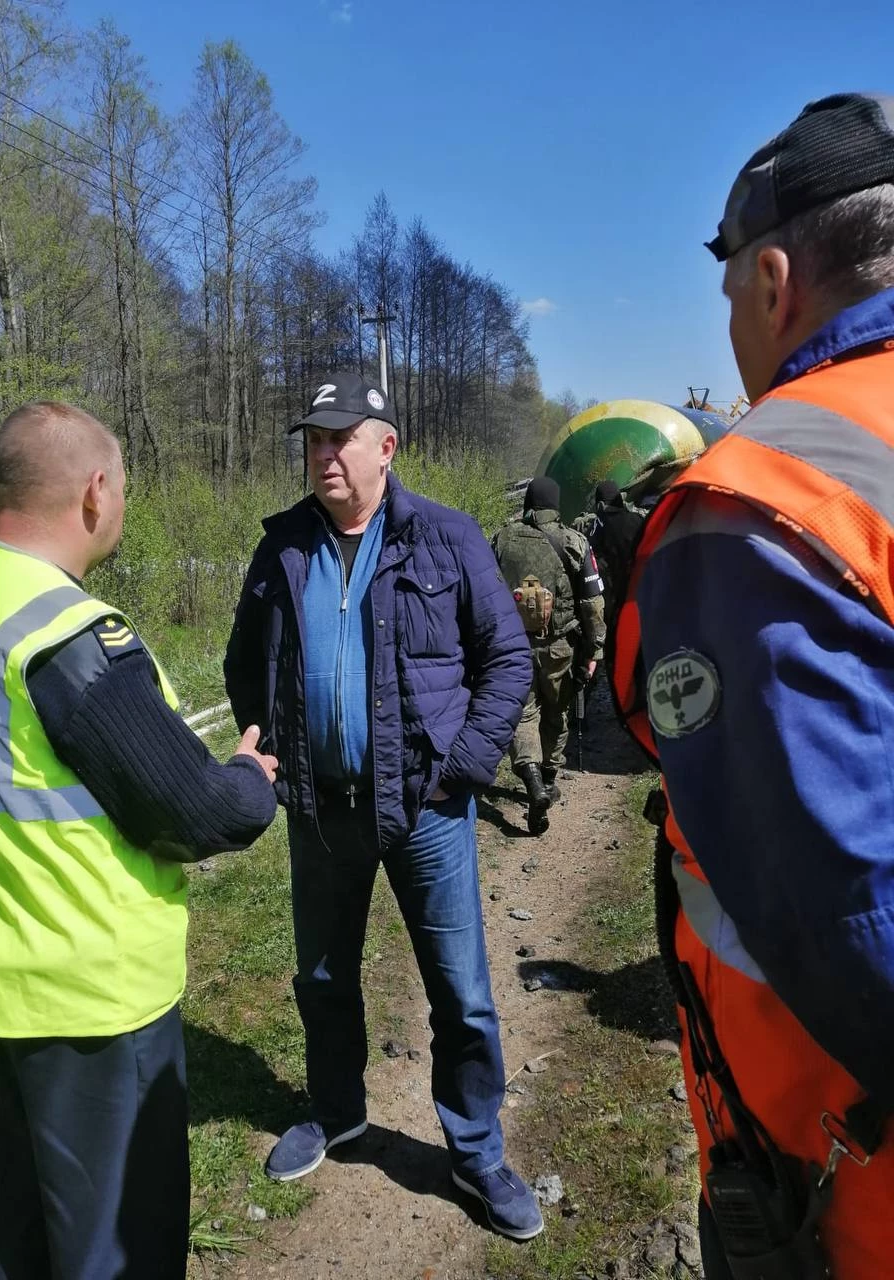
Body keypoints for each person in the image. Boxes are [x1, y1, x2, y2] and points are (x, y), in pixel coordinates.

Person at [612, 93, 894, 1279]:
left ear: (773, 277)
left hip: (844, 1193)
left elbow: (860, 925)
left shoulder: (757, 510)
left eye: (729, 288)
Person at [0, 401, 279, 1279]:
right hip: (91, 991)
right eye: (121, 486)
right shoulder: (72, 640)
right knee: (115, 1240)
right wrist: (248, 777)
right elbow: (197, 814)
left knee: (19, 1211)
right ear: (95, 494)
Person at [225, 372, 543, 1241]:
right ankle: (337, 1112)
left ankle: (476, 1153)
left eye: (338, 438)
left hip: (426, 812)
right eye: (312, 440)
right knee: (323, 978)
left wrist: (463, 765)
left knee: (461, 993)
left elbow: (506, 659)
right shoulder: (283, 546)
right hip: (320, 811)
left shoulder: (444, 536)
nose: (321, 453)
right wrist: (272, 757)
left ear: (385, 446)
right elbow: (244, 663)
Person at [492, 477, 604, 832]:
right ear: (556, 505)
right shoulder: (574, 542)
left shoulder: (500, 539)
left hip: (512, 645)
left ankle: (530, 779)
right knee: (556, 712)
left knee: (523, 715)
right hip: (560, 646)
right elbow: (592, 604)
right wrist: (594, 649)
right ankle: (549, 778)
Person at [573, 480, 645, 625]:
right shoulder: (637, 520)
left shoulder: (595, 528)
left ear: (600, 505)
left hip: (617, 602)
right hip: (645, 592)